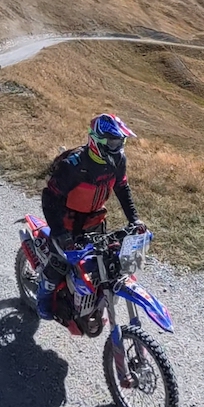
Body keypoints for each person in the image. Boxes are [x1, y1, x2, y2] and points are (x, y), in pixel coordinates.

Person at [36, 113, 146, 321]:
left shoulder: (119, 160)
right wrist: (59, 232)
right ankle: (42, 301)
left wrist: (134, 219)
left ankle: (92, 302)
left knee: (108, 263)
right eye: (113, 142)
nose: (117, 147)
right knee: (58, 265)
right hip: (66, 223)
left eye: (120, 142)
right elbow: (49, 197)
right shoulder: (73, 166)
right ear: (97, 141)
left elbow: (122, 188)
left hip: (95, 221)